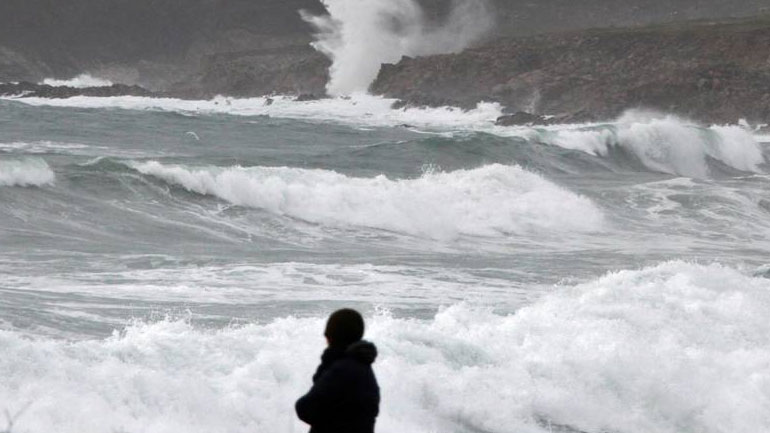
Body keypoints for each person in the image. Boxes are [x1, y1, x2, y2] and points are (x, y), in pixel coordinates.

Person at [296, 308, 380, 433]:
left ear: (333, 336)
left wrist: (328, 361)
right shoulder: (364, 368)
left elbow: (305, 408)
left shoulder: (342, 369)